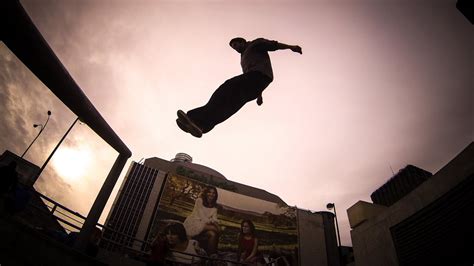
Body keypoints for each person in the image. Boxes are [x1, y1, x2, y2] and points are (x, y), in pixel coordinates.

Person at [176, 37, 302, 138]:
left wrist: (291, 47)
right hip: (256, 84)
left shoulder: (255, 44)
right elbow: (251, 79)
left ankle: (194, 117)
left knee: (225, 88)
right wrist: (259, 94)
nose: (235, 49)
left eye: (236, 45)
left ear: (242, 42)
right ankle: (201, 126)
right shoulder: (243, 58)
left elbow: (274, 45)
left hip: (258, 77)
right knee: (229, 106)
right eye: (233, 47)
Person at [183, 186, 220, 256]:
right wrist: (213, 223)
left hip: (204, 225)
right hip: (194, 222)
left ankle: (210, 255)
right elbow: (202, 216)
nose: (211, 194)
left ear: (215, 195)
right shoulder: (199, 200)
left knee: (213, 234)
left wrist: (214, 221)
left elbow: (214, 218)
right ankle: (213, 255)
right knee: (216, 228)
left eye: (213, 193)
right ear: (206, 193)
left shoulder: (215, 206)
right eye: (209, 192)